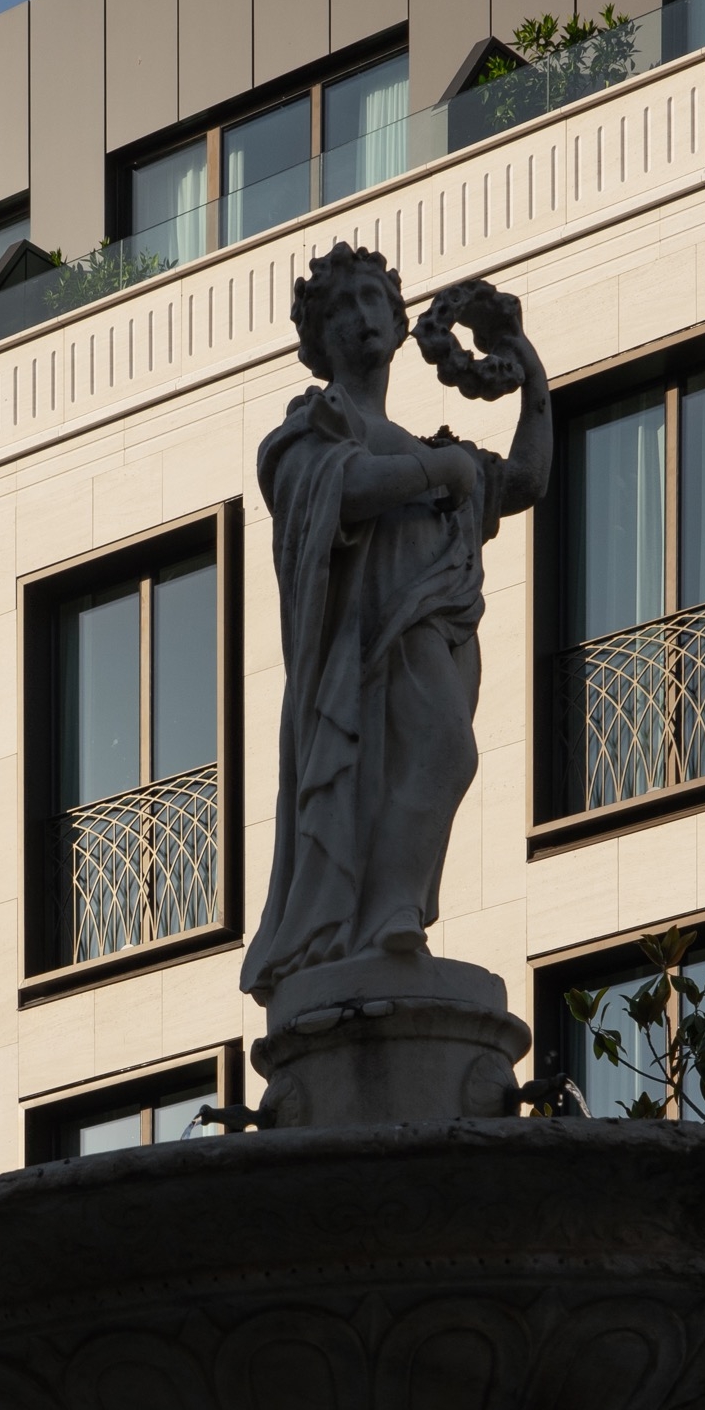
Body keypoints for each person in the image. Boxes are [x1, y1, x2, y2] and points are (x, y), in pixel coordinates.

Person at [242, 244, 550, 1005]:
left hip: (438, 633)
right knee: (448, 751)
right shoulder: (320, 422)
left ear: (397, 317)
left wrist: (528, 370)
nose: (359, 318)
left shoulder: (427, 446)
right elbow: (327, 489)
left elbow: (523, 482)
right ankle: (387, 916)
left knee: (438, 757)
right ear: (319, 339)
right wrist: (430, 476)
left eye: (371, 301)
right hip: (372, 645)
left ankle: (388, 916)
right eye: (340, 309)